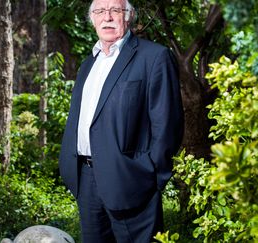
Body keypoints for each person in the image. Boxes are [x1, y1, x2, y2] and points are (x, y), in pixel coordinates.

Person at [58, 0, 184, 242]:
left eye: (115, 10)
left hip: (132, 181)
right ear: (92, 19)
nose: (107, 17)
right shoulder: (88, 65)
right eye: (99, 12)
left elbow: (168, 125)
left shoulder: (154, 57)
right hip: (86, 181)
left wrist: (151, 175)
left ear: (128, 16)